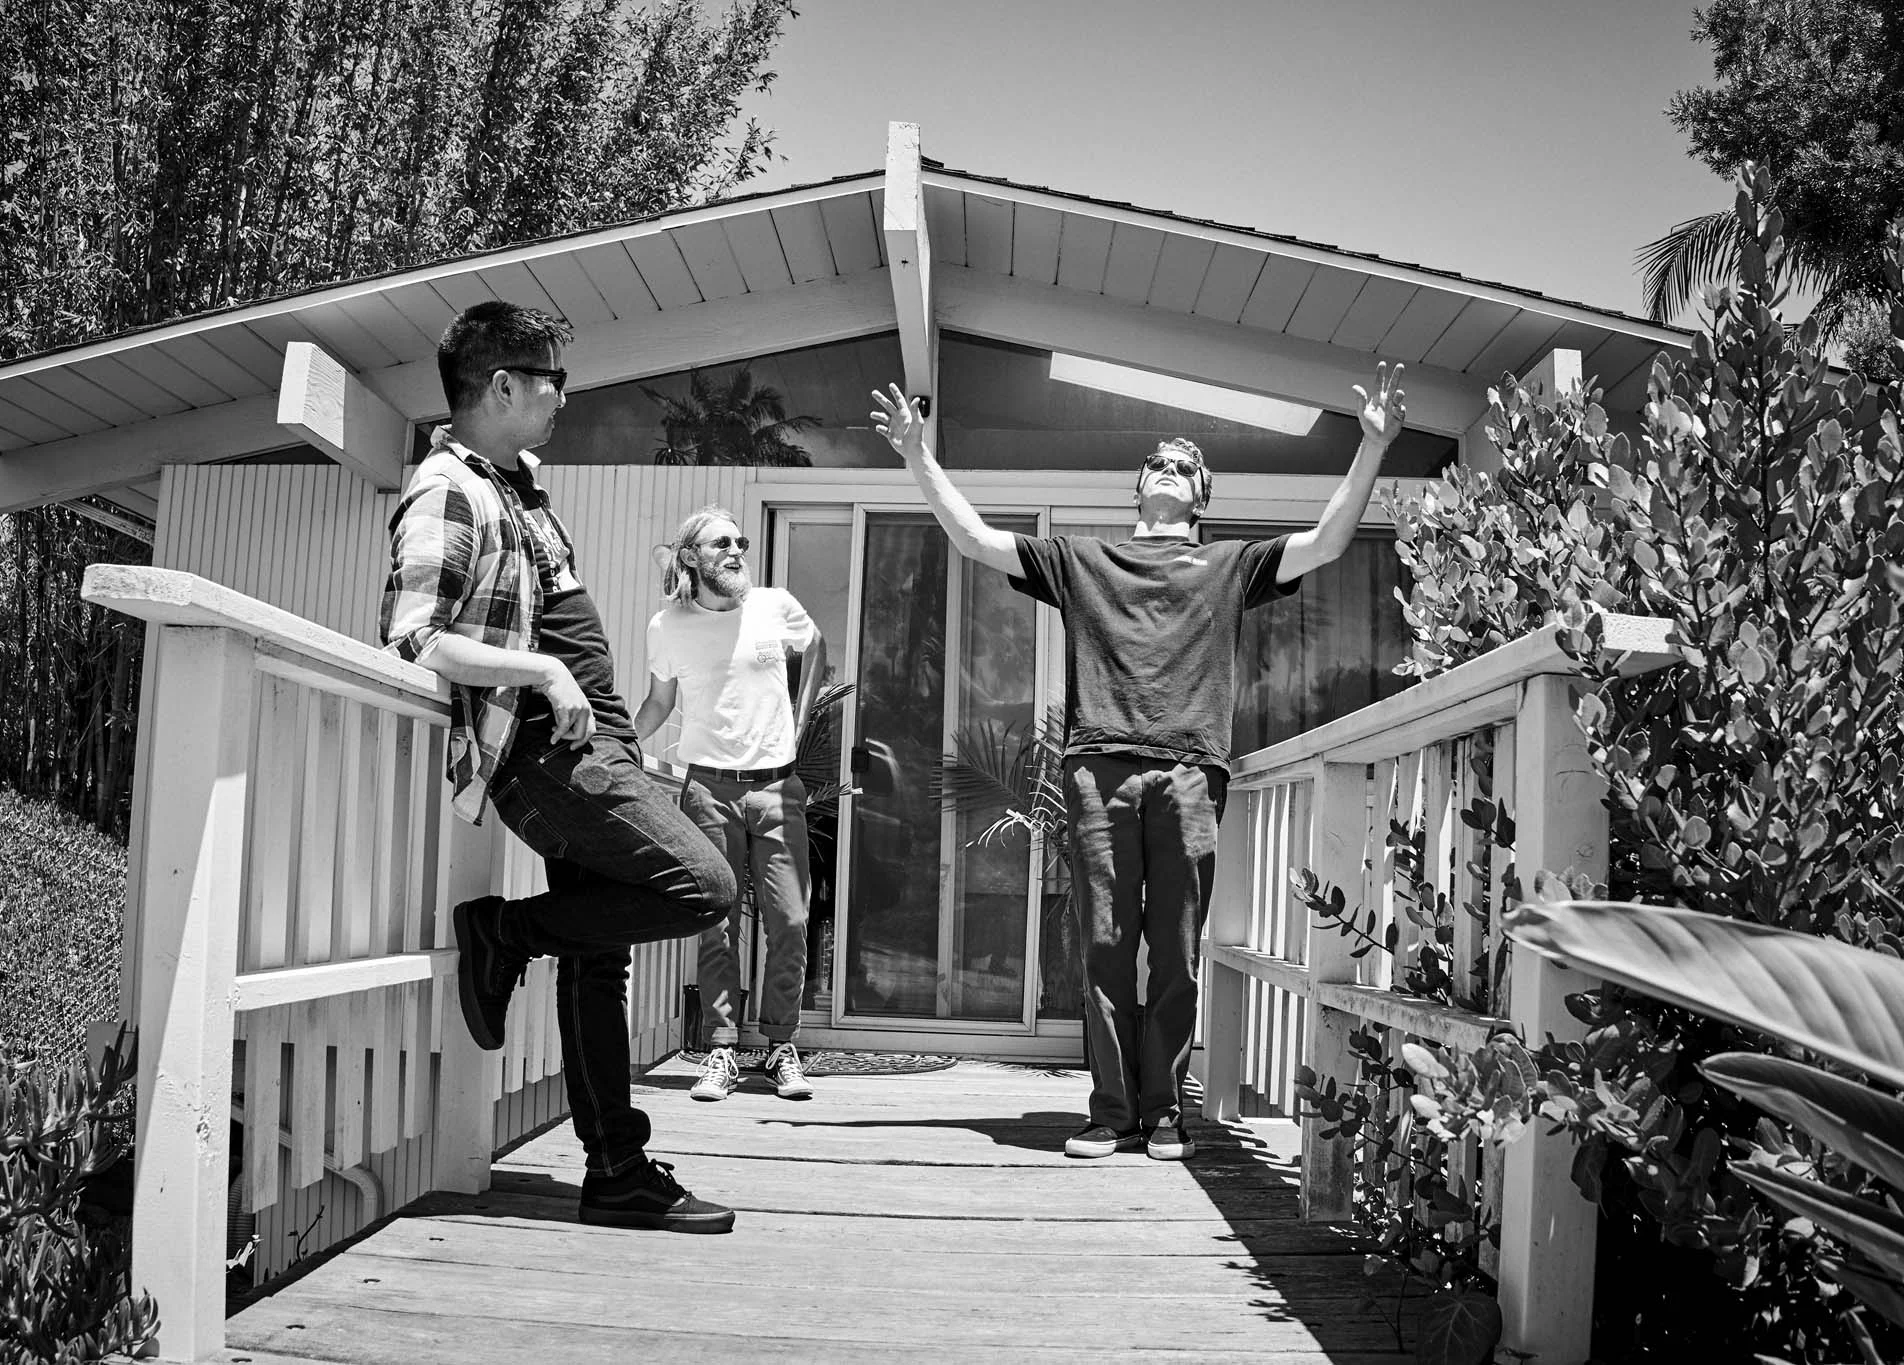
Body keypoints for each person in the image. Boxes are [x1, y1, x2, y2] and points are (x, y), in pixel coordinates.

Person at [870, 365, 1407, 1160]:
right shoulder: (1082, 561)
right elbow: (976, 539)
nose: (1170, 467)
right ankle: (1111, 1111)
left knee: (1177, 953)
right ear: (1139, 488)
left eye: (1186, 466)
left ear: (1201, 497)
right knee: (1105, 947)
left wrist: (1373, 447)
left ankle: (1164, 1112)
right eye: (1159, 461)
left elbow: (1326, 542)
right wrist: (917, 455)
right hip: (1097, 772)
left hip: (1191, 772)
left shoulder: (1231, 567)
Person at [382, 300, 740, 1233]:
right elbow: (413, 637)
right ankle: (504, 931)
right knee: (706, 884)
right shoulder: (446, 491)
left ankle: (615, 1170)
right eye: (551, 381)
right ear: (502, 387)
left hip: (595, 743)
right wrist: (541, 670)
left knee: (598, 958)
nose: (563, 398)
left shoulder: (516, 484)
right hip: (546, 754)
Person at [634, 507, 825, 1102]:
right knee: (715, 923)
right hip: (708, 792)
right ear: (691, 556)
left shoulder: (774, 606)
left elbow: (816, 645)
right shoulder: (667, 626)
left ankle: (780, 1046)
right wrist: (618, 747)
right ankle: (721, 1050)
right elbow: (659, 702)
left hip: (777, 789)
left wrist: (800, 720)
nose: (737, 550)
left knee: (789, 920)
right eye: (722, 543)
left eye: (740, 540)